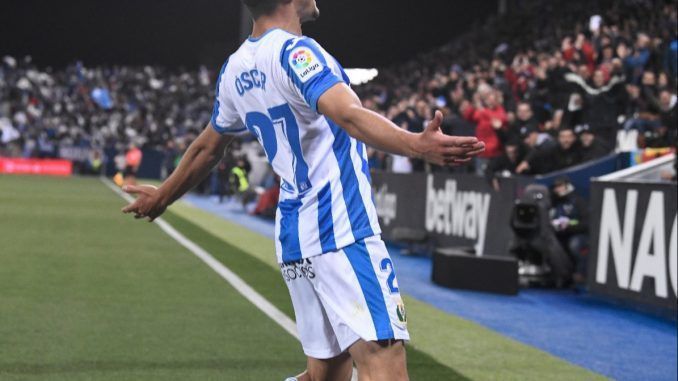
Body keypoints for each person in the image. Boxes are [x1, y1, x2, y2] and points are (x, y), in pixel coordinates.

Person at [120, 1, 485, 380]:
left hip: (295, 236)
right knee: (383, 361)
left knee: (327, 375)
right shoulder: (297, 52)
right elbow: (348, 114)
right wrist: (415, 144)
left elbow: (209, 147)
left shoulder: (235, 69)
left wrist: (163, 196)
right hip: (341, 228)